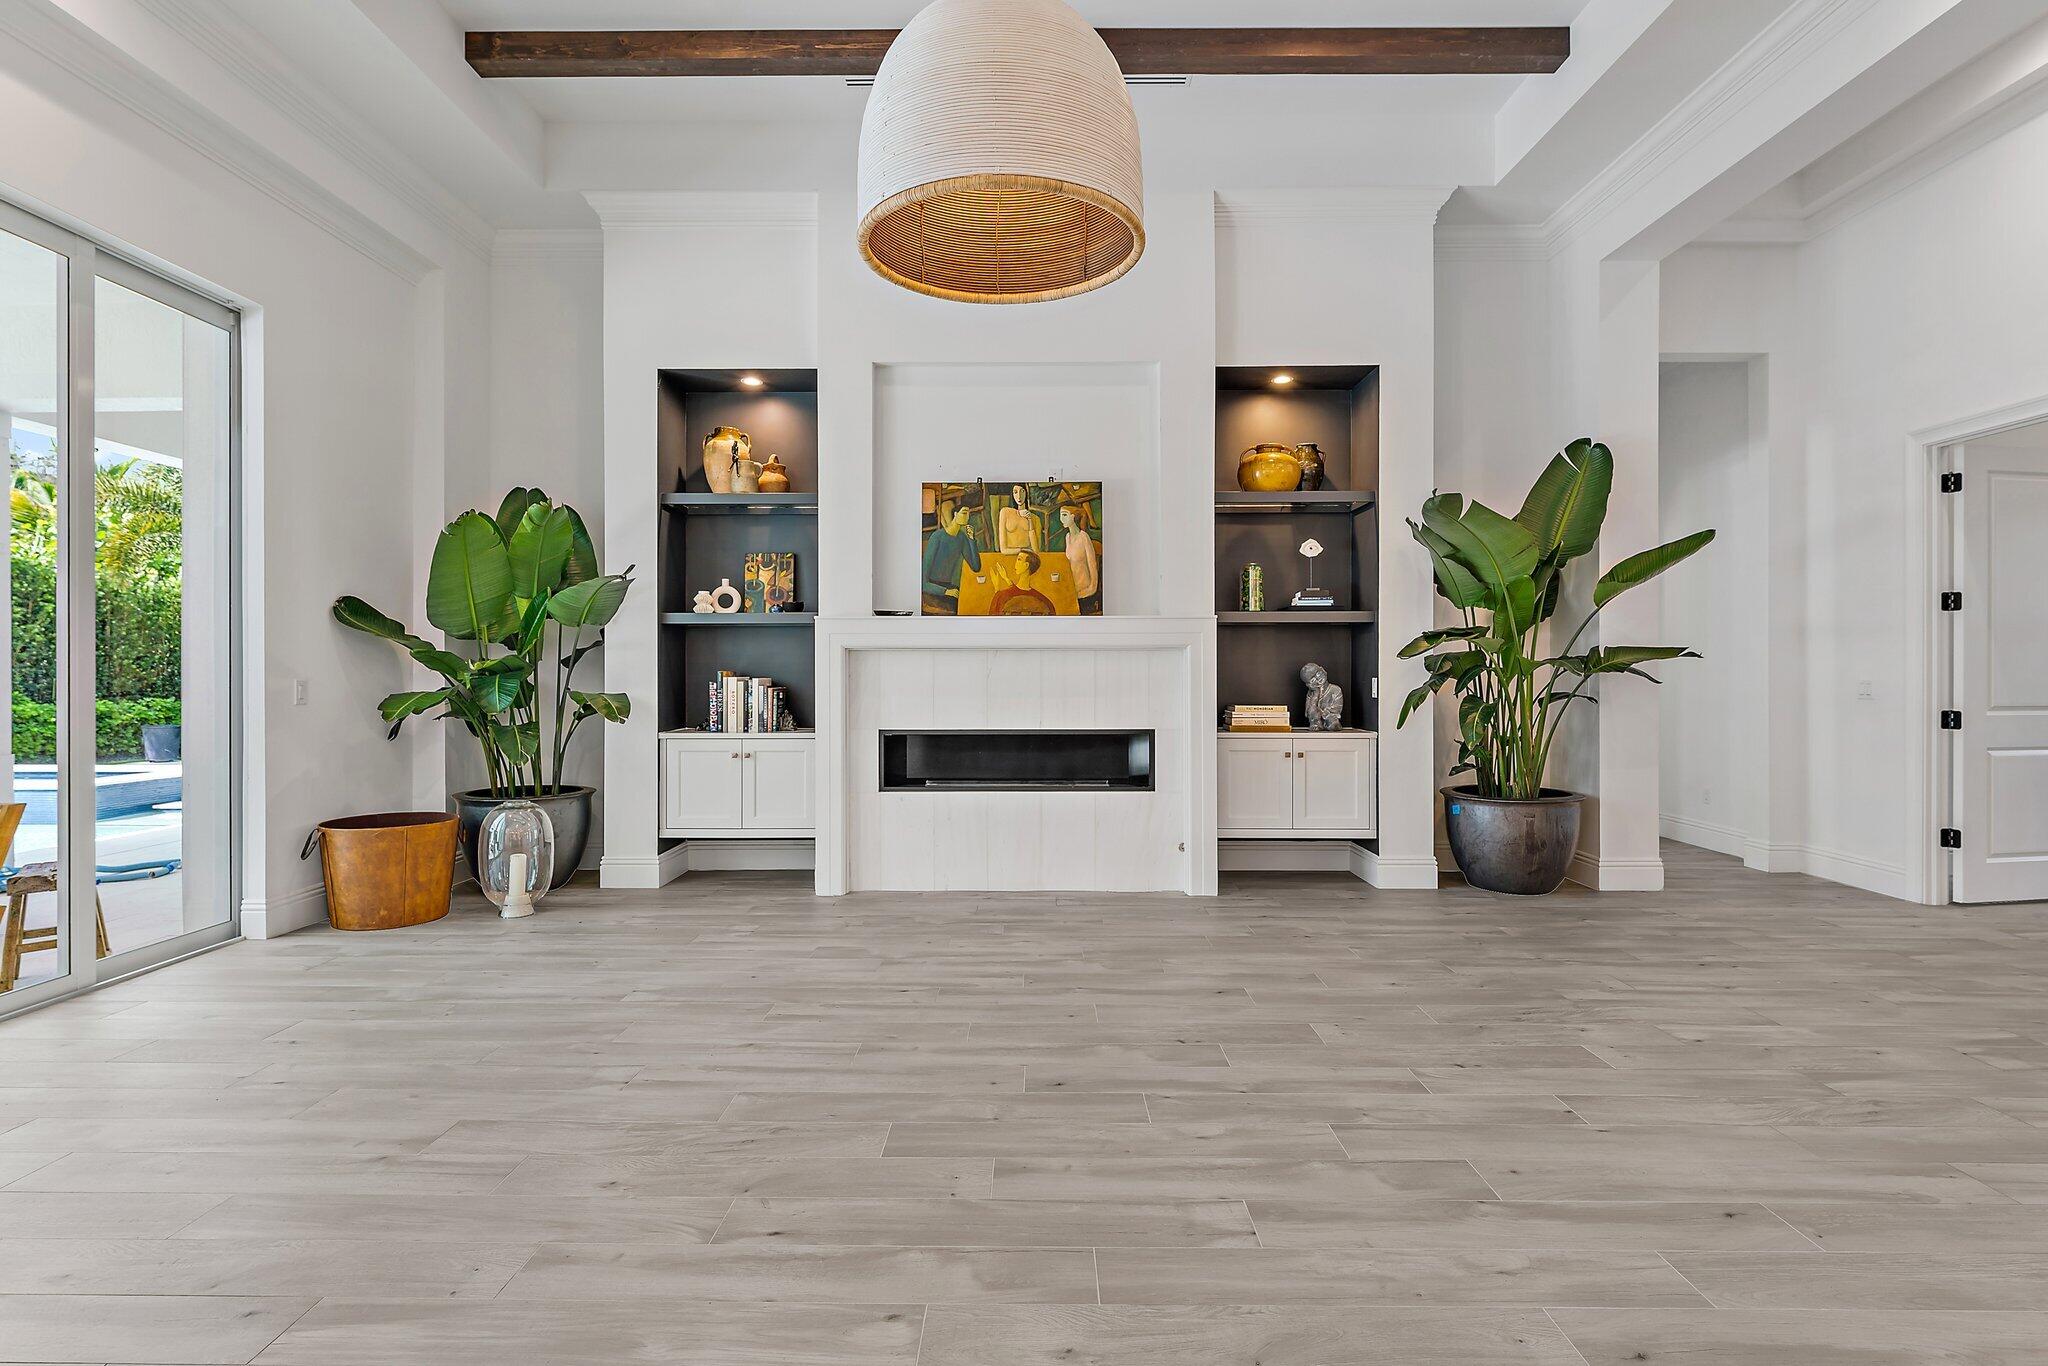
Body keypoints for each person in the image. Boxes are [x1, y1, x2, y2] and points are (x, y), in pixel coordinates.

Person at [1059, 502, 1100, 611]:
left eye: (1064, 515)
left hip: (1085, 591)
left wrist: (1090, 590)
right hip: (1072, 588)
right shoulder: (1068, 537)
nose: (1061, 519)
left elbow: (1093, 566)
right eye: (1060, 515)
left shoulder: (1084, 537)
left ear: (1073, 517)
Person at [996, 482, 1042, 553]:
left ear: (1027, 492)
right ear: (1012, 494)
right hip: (1010, 556)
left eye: (1022, 491)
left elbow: (1036, 551)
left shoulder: (1035, 519)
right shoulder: (1005, 512)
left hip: (1026, 557)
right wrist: (1022, 550)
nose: (1019, 496)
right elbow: (1003, 550)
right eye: (1015, 492)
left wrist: (1029, 520)